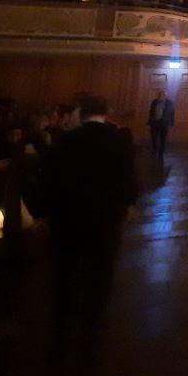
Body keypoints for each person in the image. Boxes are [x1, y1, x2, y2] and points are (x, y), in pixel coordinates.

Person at [41, 94, 136, 360]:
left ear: (81, 113)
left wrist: (48, 214)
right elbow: (128, 176)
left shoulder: (66, 139)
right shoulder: (119, 138)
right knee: (101, 272)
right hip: (105, 217)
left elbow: (50, 179)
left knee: (66, 273)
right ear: (106, 112)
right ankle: (93, 324)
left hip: (68, 218)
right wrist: (128, 204)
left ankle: (61, 328)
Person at [146, 89, 175, 164]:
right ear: (158, 95)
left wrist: (172, 122)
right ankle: (154, 149)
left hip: (164, 123)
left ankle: (161, 152)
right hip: (154, 122)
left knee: (163, 138)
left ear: (166, 96)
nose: (162, 96)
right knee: (154, 137)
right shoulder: (154, 102)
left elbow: (172, 113)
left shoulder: (169, 103)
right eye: (160, 95)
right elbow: (151, 112)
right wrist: (149, 122)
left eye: (164, 95)